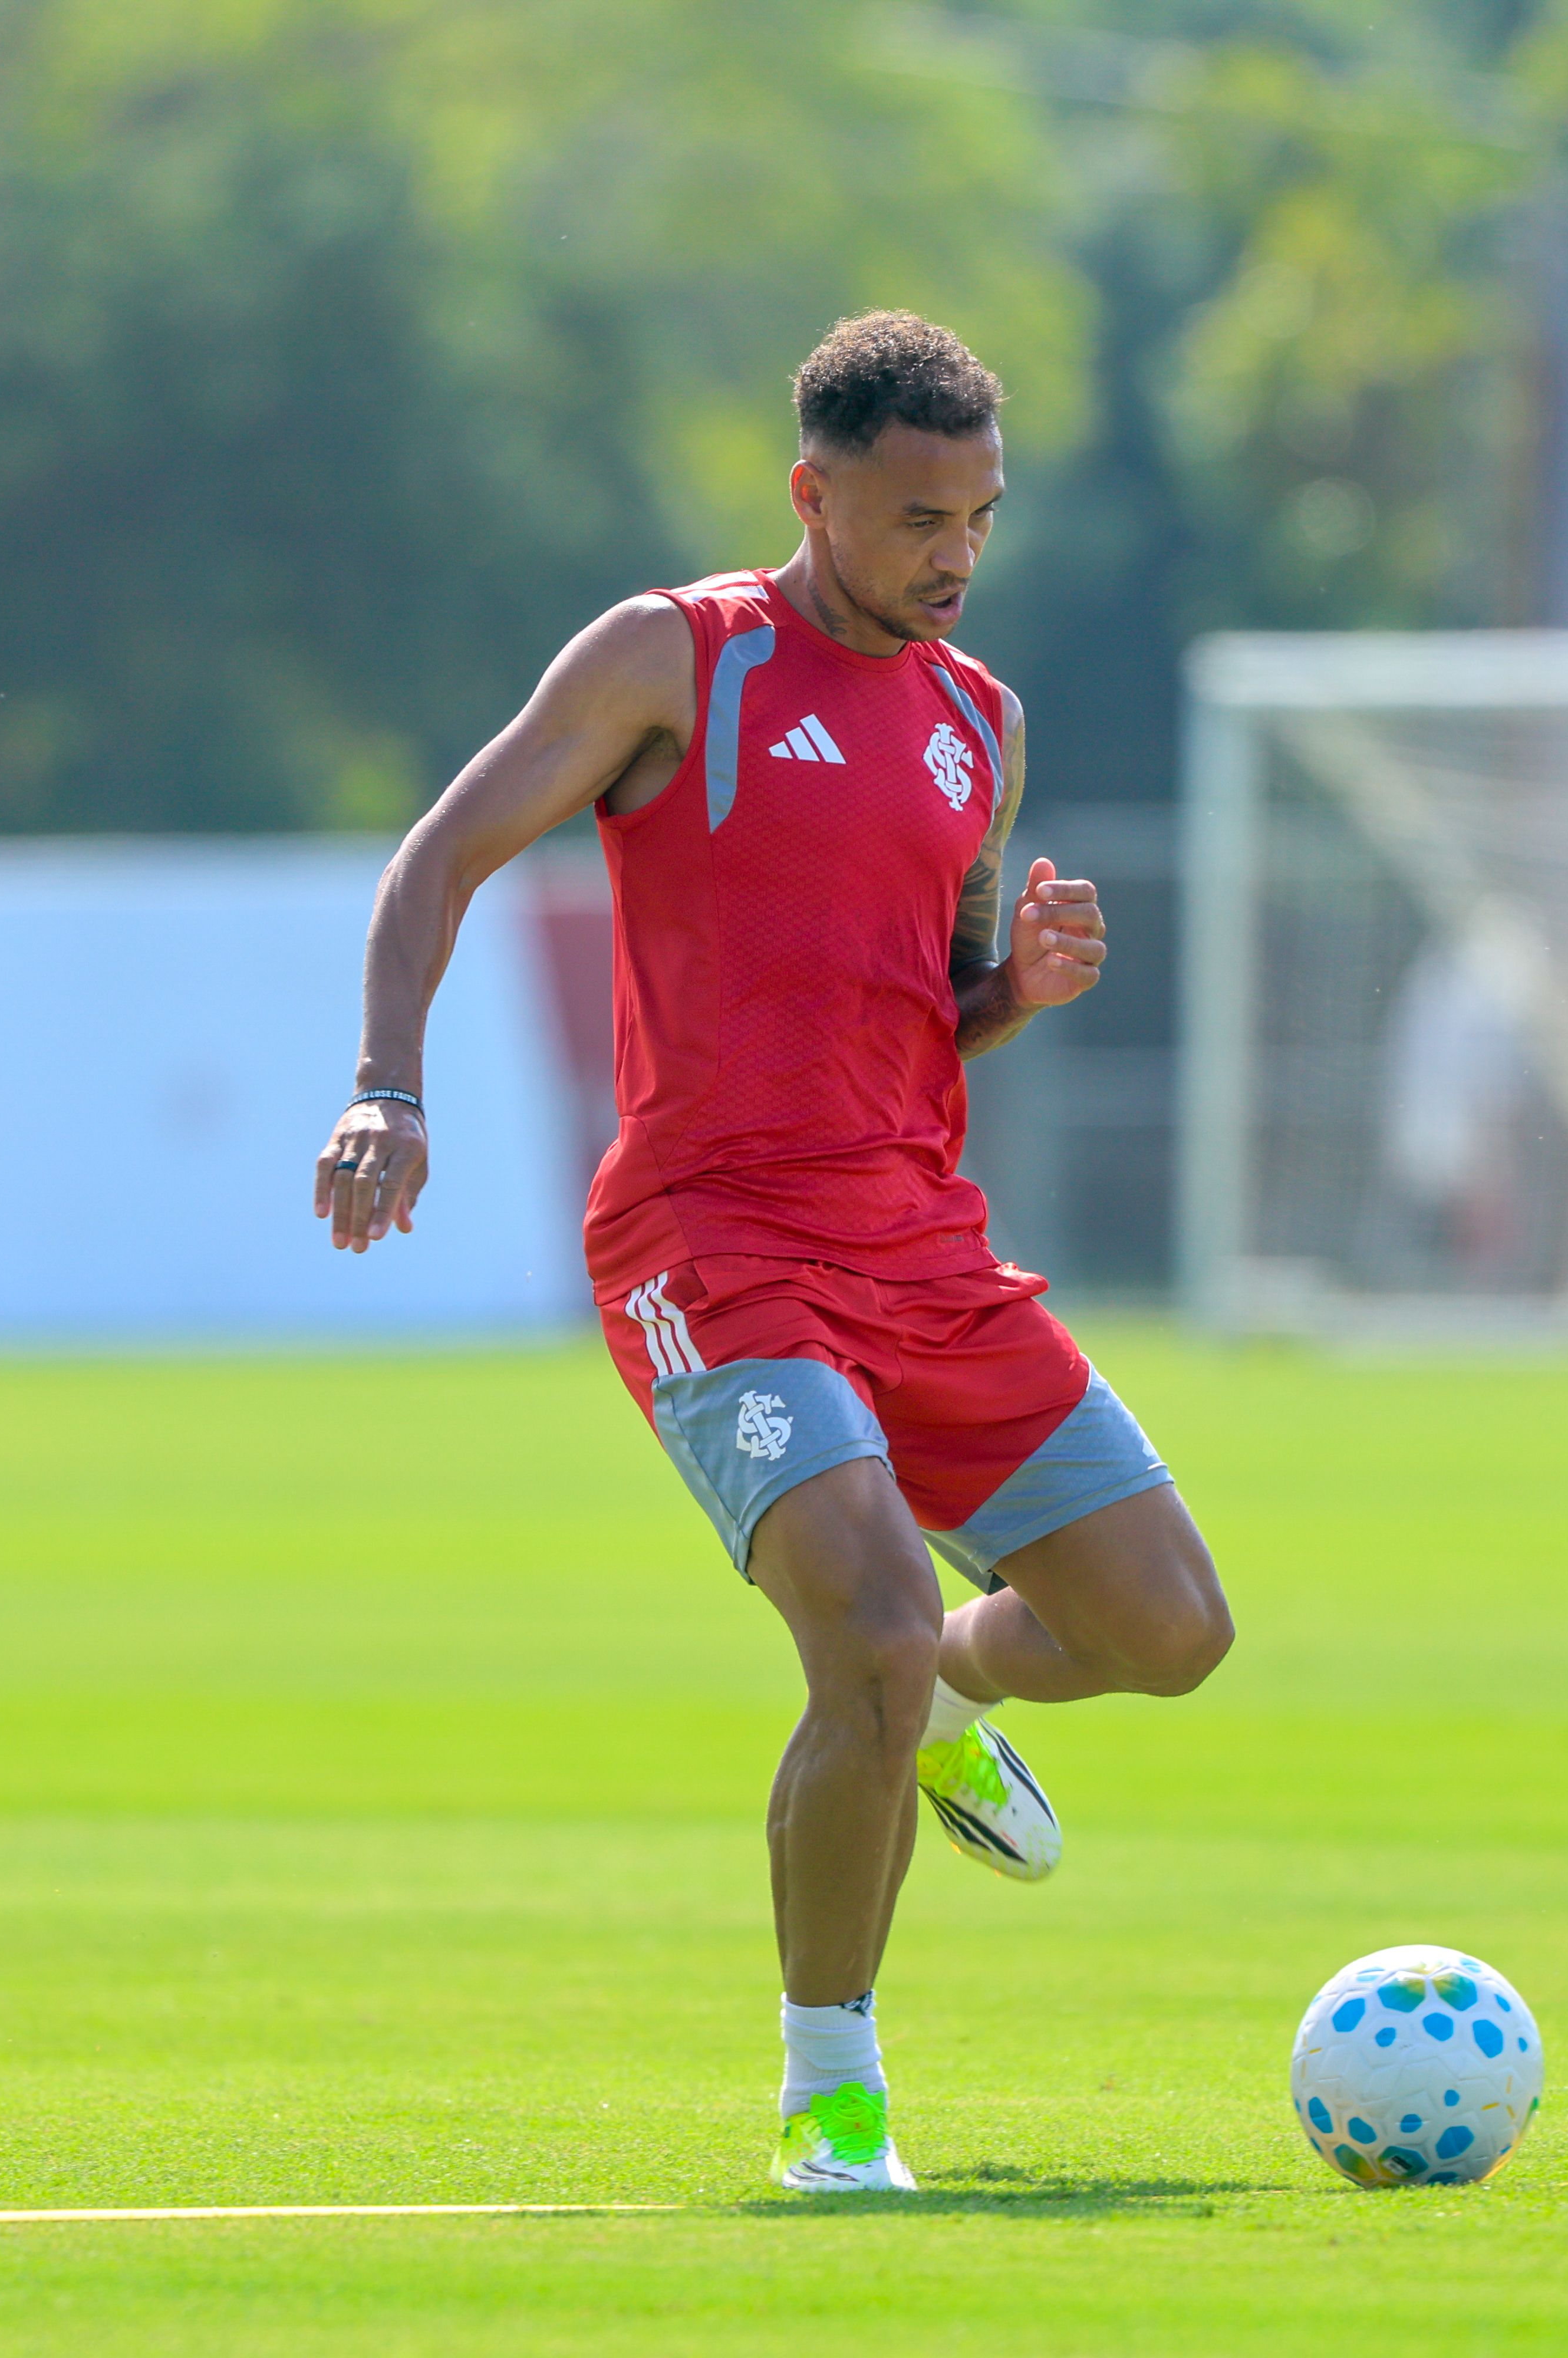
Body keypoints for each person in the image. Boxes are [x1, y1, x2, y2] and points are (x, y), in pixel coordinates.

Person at [314, 313, 1234, 2191]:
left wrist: (1016, 991)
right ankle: (836, 2099)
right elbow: (439, 857)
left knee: (1169, 1631)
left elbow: (922, 1012)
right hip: (714, 1244)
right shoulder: (679, 658)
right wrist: (385, 1091)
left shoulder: (981, 723)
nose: (956, 557)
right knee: (866, 1638)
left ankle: (954, 1693)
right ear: (814, 496)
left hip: (924, 1249)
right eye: (916, 519)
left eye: (980, 517)